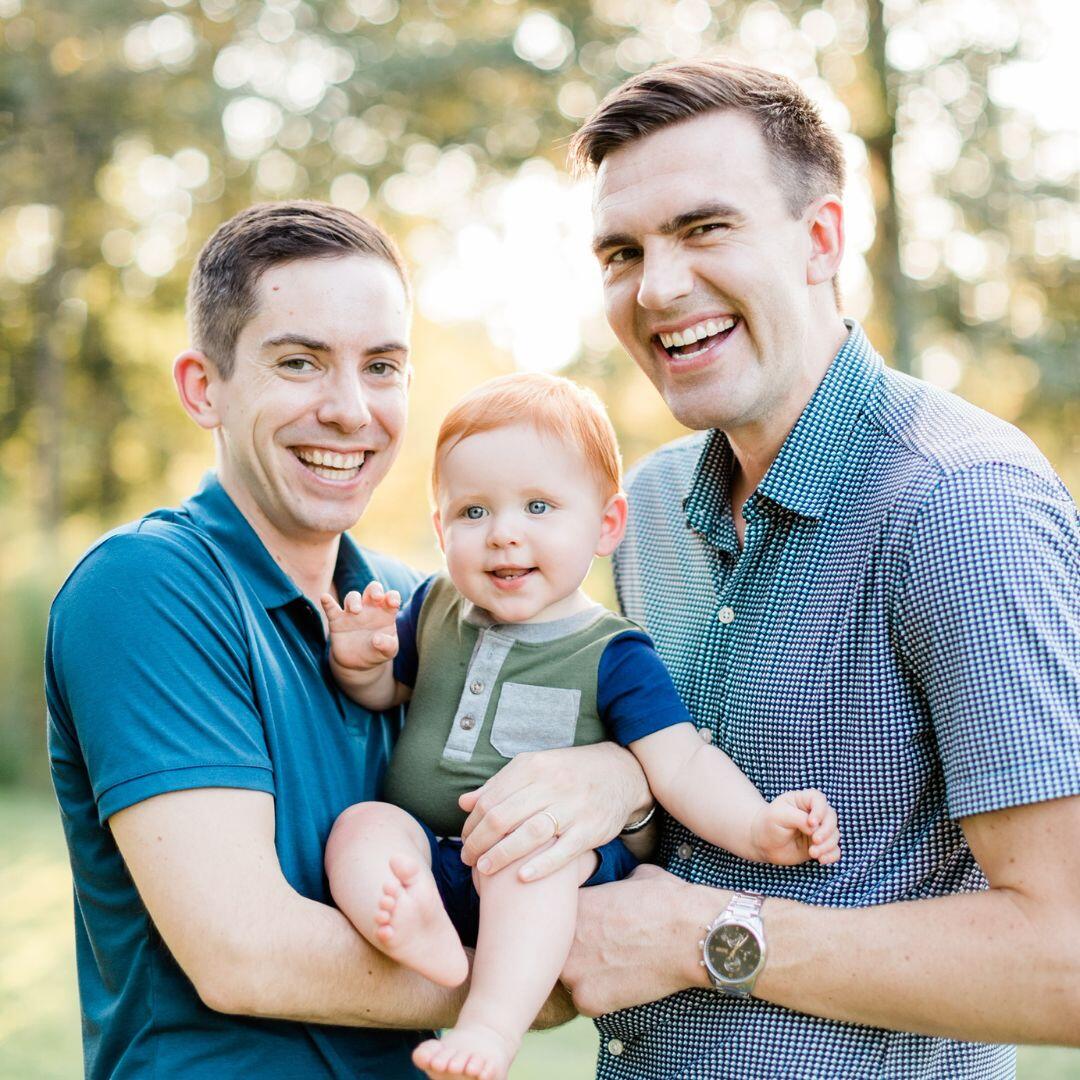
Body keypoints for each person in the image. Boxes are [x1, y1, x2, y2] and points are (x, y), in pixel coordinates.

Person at [556, 59, 1080, 1078]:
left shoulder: (962, 505)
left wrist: (703, 935)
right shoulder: (647, 512)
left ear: (822, 240)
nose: (658, 288)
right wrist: (612, 777)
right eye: (623, 251)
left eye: (705, 228)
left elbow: (1067, 959)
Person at [44, 201, 651, 1079]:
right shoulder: (146, 588)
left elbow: (596, 818)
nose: (349, 410)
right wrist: (526, 982)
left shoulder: (425, 607)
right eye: (300, 362)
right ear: (202, 386)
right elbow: (245, 952)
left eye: (382, 367)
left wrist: (623, 777)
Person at [317, 372, 841, 1080]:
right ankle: (424, 934)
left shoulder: (612, 652)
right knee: (362, 826)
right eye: (473, 512)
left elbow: (680, 763)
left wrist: (756, 824)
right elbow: (387, 690)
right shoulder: (435, 606)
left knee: (535, 866)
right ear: (440, 528)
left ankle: (490, 1028)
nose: (504, 534)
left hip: (552, 869)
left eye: (538, 507)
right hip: (436, 851)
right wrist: (358, 660)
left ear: (605, 526)